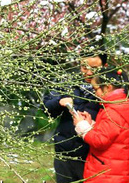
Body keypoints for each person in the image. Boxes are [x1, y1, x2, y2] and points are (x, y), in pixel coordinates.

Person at [42, 53, 106, 183]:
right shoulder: (68, 83)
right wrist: (59, 101)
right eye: (84, 67)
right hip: (65, 153)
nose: (88, 73)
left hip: (93, 155)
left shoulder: (109, 89)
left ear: (105, 66)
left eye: (94, 69)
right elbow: (45, 109)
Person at [73, 67, 129, 182]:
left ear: (108, 87)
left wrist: (82, 126)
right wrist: (90, 124)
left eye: (96, 89)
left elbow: (100, 141)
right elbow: (109, 134)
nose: (95, 93)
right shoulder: (120, 106)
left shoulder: (114, 111)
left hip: (106, 175)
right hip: (112, 172)